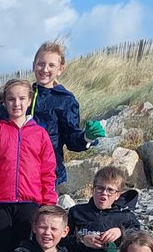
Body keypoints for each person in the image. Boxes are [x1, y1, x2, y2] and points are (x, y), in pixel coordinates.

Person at [0, 78, 56, 252]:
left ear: (29, 101)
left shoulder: (40, 134)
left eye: (21, 98)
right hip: (0, 204)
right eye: (11, 99)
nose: (16, 104)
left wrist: (48, 204)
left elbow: (48, 171)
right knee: (1, 251)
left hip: (30, 203)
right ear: (4, 102)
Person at [29, 41, 105, 188]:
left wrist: (86, 137)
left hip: (49, 174)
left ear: (60, 69)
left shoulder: (65, 100)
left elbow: (71, 138)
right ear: (33, 65)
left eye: (51, 65)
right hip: (20, 173)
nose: (45, 69)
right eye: (41, 64)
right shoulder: (23, 95)